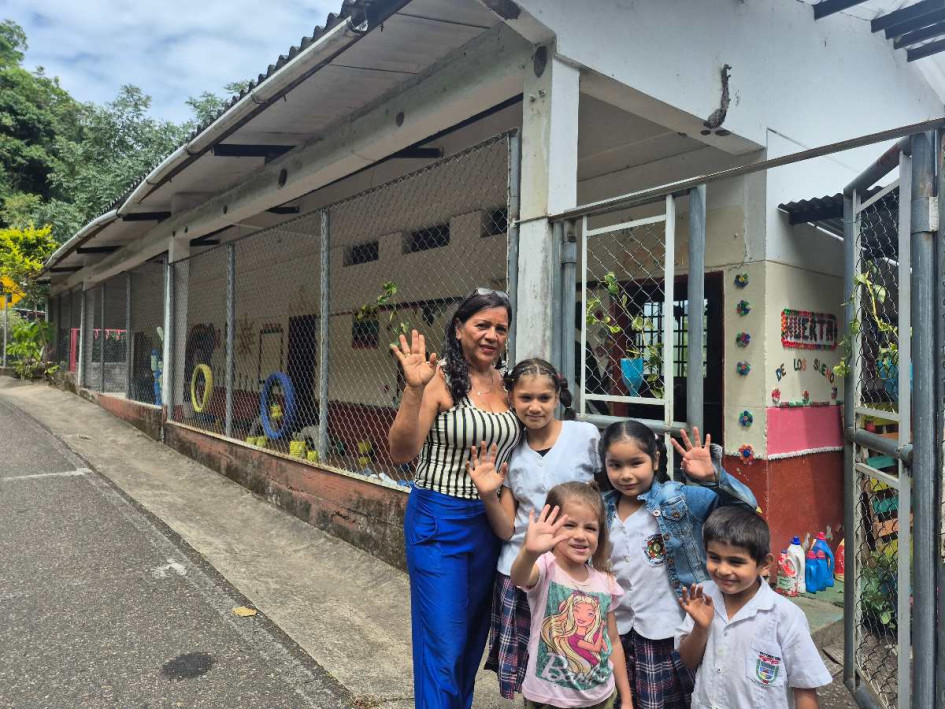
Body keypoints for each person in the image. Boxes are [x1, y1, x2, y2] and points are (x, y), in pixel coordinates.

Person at [388, 288, 521, 709]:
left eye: (501, 328)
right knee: (443, 643)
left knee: (471, 640)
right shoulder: (436, 378)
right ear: (459, 328)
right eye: (482, 325)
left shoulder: (510, 383)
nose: (491, 335)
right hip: (438, 518)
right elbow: (401, 452)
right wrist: (413, 391)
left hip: (489, 520)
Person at [597, 421, 758, 709]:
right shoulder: (600, 507)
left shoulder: (679, 499)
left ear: (656, 459)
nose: (626, 474)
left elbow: (747, 511)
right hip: (615, 633)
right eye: (615, 465)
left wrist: (714, 477)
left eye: (636, 463)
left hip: (667, 632)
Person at [468, 358, 601, 700]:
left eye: (544, 397)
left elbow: (606, 498)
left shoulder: (585, 435)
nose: (535, 406)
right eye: (526, 398)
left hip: (574, 575)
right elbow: (505, 529)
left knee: (574, 667)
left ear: (557, 397)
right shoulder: (511, 450)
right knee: (532, 671)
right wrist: (487, 495)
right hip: (521, 572)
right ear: (511, 397)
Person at [675, 507, 832, 709]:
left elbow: (804, 687)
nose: (723, 569)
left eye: (736, 562)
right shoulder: (703, 596)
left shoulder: (786, 616)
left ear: (765, 564)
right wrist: (701, 628)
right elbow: (687, 661)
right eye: (714, 557)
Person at [509, 482, 634, 709]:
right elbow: (519, 577)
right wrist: (529, 551)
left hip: (600, 696)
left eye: (590, 528)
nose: (580, 535)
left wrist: (626, 697)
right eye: (569, 525)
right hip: (548, 698)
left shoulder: (605, 581)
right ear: (551, 527)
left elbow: (613, 641)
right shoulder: (544, 567)